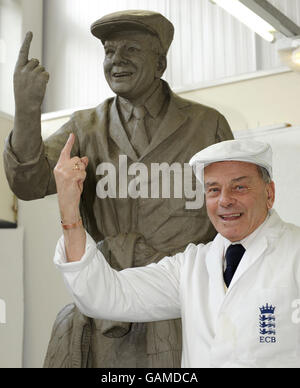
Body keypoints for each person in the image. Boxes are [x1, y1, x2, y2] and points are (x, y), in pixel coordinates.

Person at [3, 10, 234, 367]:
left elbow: (235, 216)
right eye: (109, 51)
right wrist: (27, 110)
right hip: (106, 312)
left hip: (184, 310)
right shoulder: (85, 127)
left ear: (160, 62)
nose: (117, 60)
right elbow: (28, 183)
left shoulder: (206, 125)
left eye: (131, 49)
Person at [53, 137, 300, 368]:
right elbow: (106, 295)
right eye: (213, 190)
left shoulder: (295, 252)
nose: (225, 200)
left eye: (240, 187)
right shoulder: (192, 266)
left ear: (270, 194)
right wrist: (69, 210)